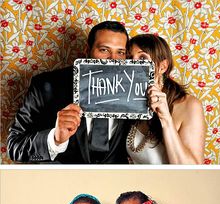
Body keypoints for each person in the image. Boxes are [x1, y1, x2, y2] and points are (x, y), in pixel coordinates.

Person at [7, 21, 131, 164]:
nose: (113, 60)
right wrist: (55, 139)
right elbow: (14, 148)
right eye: (104, 50)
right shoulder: (46, 85)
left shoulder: (135, 93)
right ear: (87, 50)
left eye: (120, 52)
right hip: (59, 183)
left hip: (116, 184)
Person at [126, 34, 206, 164]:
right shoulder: (130, 102)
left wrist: (166, 119)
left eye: (142, 58)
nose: (133, 65)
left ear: (162, 67)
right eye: (129, 58)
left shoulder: (189, 105)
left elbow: (192, 172)